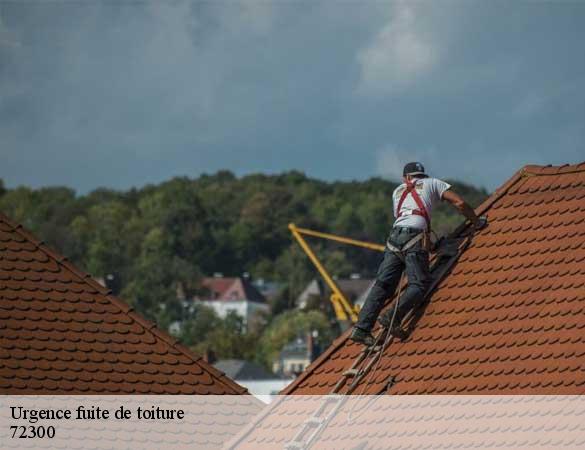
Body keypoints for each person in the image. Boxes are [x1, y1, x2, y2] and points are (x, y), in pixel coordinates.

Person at [350, 162, 486, 346]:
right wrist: (476, 221)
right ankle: (392, 317)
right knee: (419, 284)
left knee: (382, 285)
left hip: (394, 239)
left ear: (406, 178)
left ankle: (361, 329)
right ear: (423, 175)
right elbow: (459, 203)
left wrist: (429, 245)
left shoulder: (397, 191)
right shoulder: (433, 183)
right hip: (414, 237)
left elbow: (409, 217)